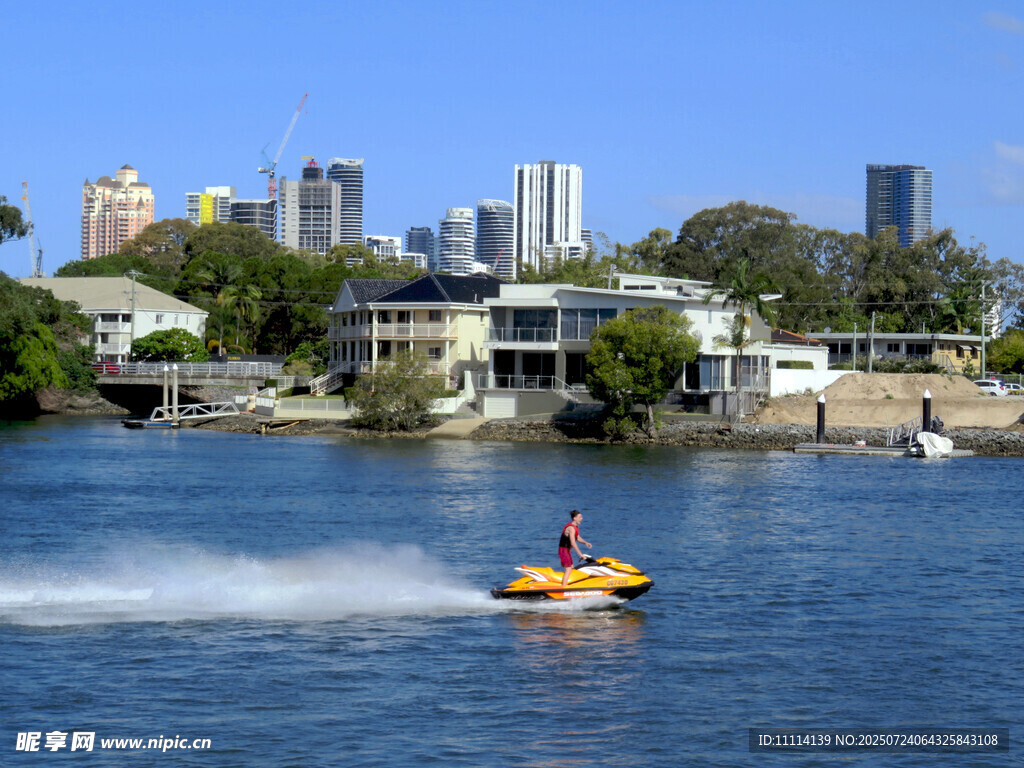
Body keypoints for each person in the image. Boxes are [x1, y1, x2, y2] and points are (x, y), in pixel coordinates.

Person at [558, 510, 592, 586]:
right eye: (580, 517)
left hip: (567, 550)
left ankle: (569, 584)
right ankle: (563, 588)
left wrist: (585, 542)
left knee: (572, 568)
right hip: (563, 550)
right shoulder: (571, 528)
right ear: (574, 518)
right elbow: (573, 543)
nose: (582, 518)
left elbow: (578, 537)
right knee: (568, 569)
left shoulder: (575, 527)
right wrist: (580, 554)